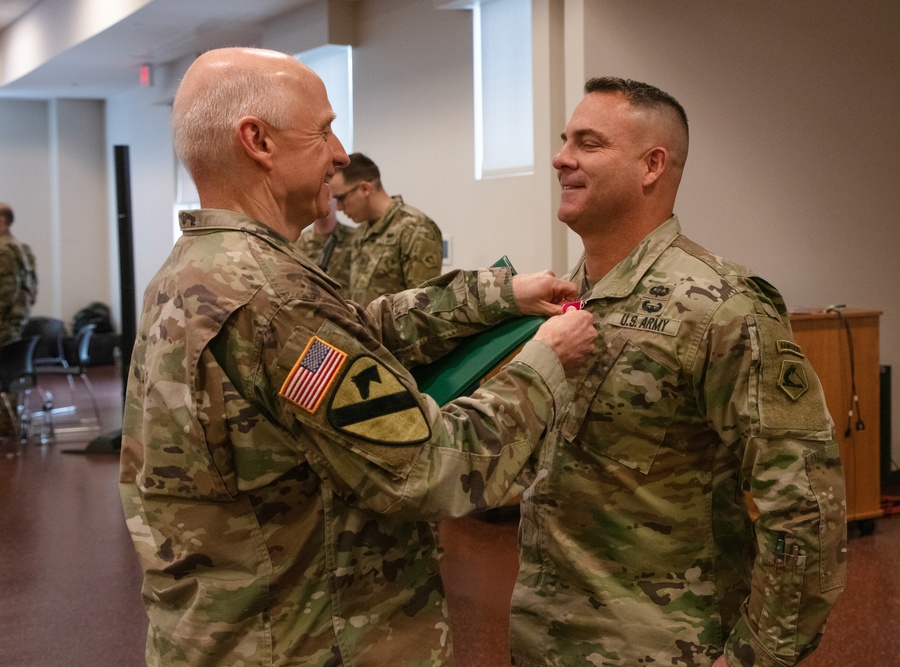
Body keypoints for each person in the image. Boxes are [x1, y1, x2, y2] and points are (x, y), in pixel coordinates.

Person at [118, 47, 596, 667]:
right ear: (257, 140)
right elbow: (432, 467)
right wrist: (545, 364)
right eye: (322, 131)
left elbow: (353, 333)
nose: (340, 153)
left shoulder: (198, 272)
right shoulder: (272, 297)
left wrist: (495, 294)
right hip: (303, 640)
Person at [507, 77, 847, 667]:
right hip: (546, 638)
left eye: (587, 143)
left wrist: (756, 657)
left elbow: (805, 508)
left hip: (665, 646)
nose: (561, 158)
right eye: (565, 141)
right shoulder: (566, 301)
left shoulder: (721, 305)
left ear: (652, 166)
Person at [329, 152, 443, 305]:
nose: (339, 208)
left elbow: (423, 306)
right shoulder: (362, 231)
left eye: (341, 198)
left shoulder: (415, 229)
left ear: (364, 189)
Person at [295, 196, 355, 286]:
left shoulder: (355, 239)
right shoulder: (297, 243)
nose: (323, 203)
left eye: (327, 198)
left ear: (337, 202)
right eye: (316, 198)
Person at [0, 202, 38, 346]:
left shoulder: (3, 249)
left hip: (4, 320)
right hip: (17, 317)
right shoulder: (22, 249)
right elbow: (33, 287)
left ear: (2, 221)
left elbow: (7, 288)